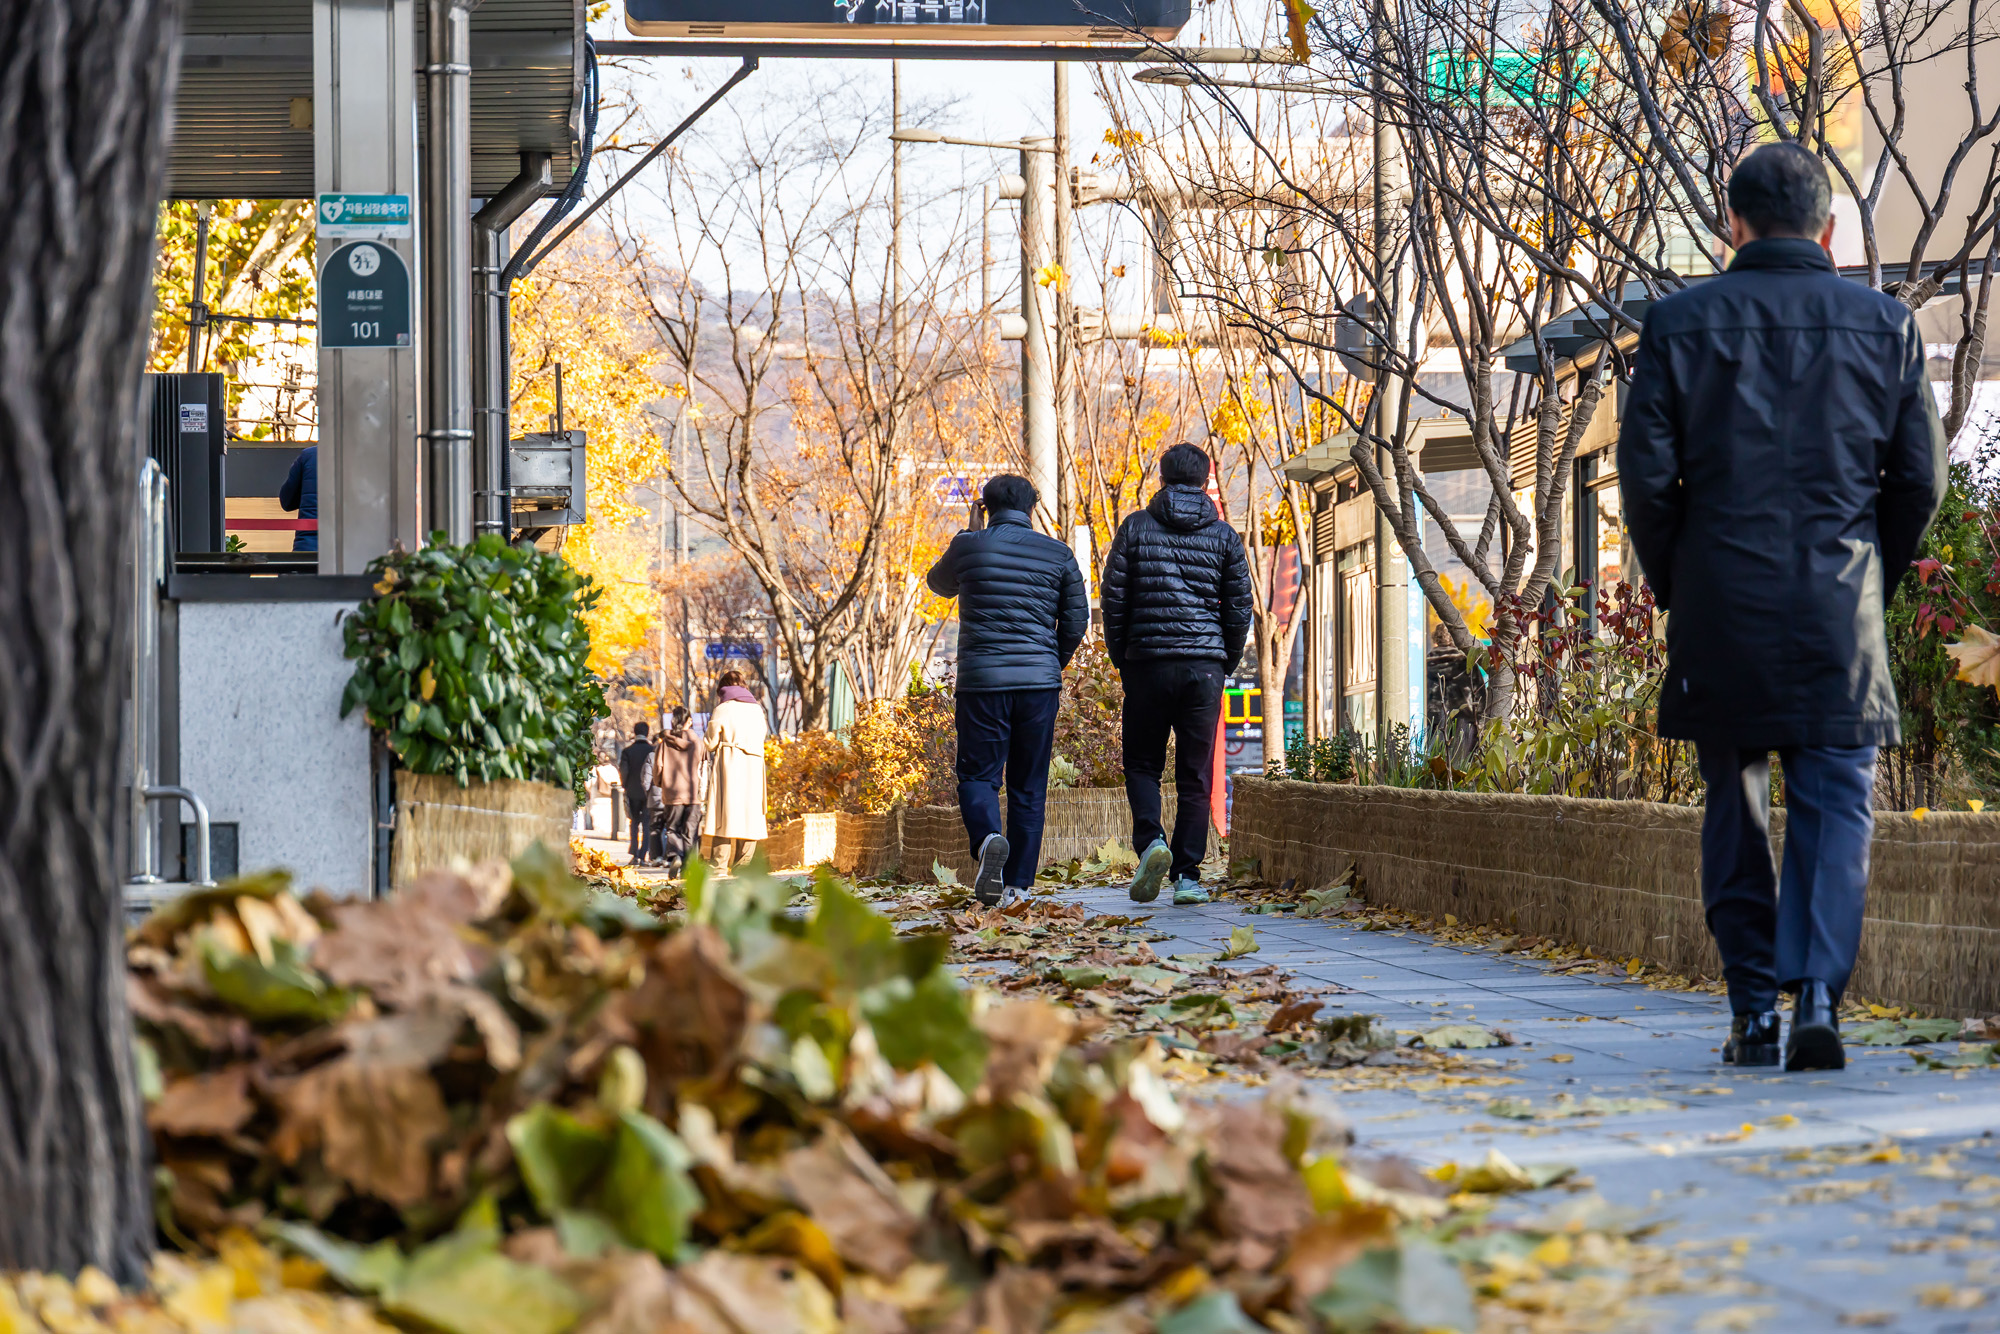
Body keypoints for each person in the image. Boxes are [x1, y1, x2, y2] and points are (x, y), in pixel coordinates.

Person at [1619, 142, 1946, 1072]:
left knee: (1736, 800)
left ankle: (1752, 1011)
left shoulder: (1678, 324)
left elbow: (1646, 485)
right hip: (1840, 606)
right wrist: (1867, 570)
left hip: (1721, 602)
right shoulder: (1886, 327)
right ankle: (1818, 1006)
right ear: (1829, 228)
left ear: (1733, 223)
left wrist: (1680, 582)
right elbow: (1917, 480)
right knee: (1838, 803)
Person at [925, 474, 1089, 906]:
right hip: (1038, 684)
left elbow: (938, 584)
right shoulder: (1059, 554)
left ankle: (988, 841)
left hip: (983, 683)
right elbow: (1076, 621)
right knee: (1028, 786)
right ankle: (1017, 886)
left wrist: (970, 531)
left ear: (986, 505)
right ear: (1032, 506)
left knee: (979, 775)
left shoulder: (969, 546)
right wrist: (1050, 664)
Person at [1101, 443, 1252, 907]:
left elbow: (1114, 601)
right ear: (1207, 481)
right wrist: (1222, 660)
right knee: (1195, 773)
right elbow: (1240, 608)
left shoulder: (1135, 527)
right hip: (1203, 669)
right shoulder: (1225, 536)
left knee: (1143, 764)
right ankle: (1188, 876)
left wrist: (1123, 659)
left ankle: (1151, 843)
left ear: (1161, 478)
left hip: (1147, 662)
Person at [702, 672, 768, 870]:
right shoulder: (757, 710)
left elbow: (711, 743)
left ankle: (719, 865)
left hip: (730, 763)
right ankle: (744, 866)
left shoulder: (723, 709)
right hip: (754, 765)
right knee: (750, 814)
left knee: (724, 814)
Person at [651, 704, 708, 875]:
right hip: (693, 794)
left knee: (673, 829)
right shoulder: (698, 743)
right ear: (689, 721)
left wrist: (662, 783)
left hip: (672, 793)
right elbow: (704, 767)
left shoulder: (664, 743)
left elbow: (658, 767)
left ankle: (675, 855)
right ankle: (689, 867)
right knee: (690, 832)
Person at [617, 722, 655, 863]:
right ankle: (643, 854)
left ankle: (634, 853)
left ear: (634, 732)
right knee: (646, 823)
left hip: (632, 791)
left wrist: (625, 786)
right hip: (648, 792)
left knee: (634, 823)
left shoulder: (628, 751)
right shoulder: (652, 750)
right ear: (647, 732)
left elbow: (624, 771)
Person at [278, 445, 318, 553]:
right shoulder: (363, 458)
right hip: (351, 547)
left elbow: (287, 502)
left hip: (308, 546)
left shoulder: (309, 455)